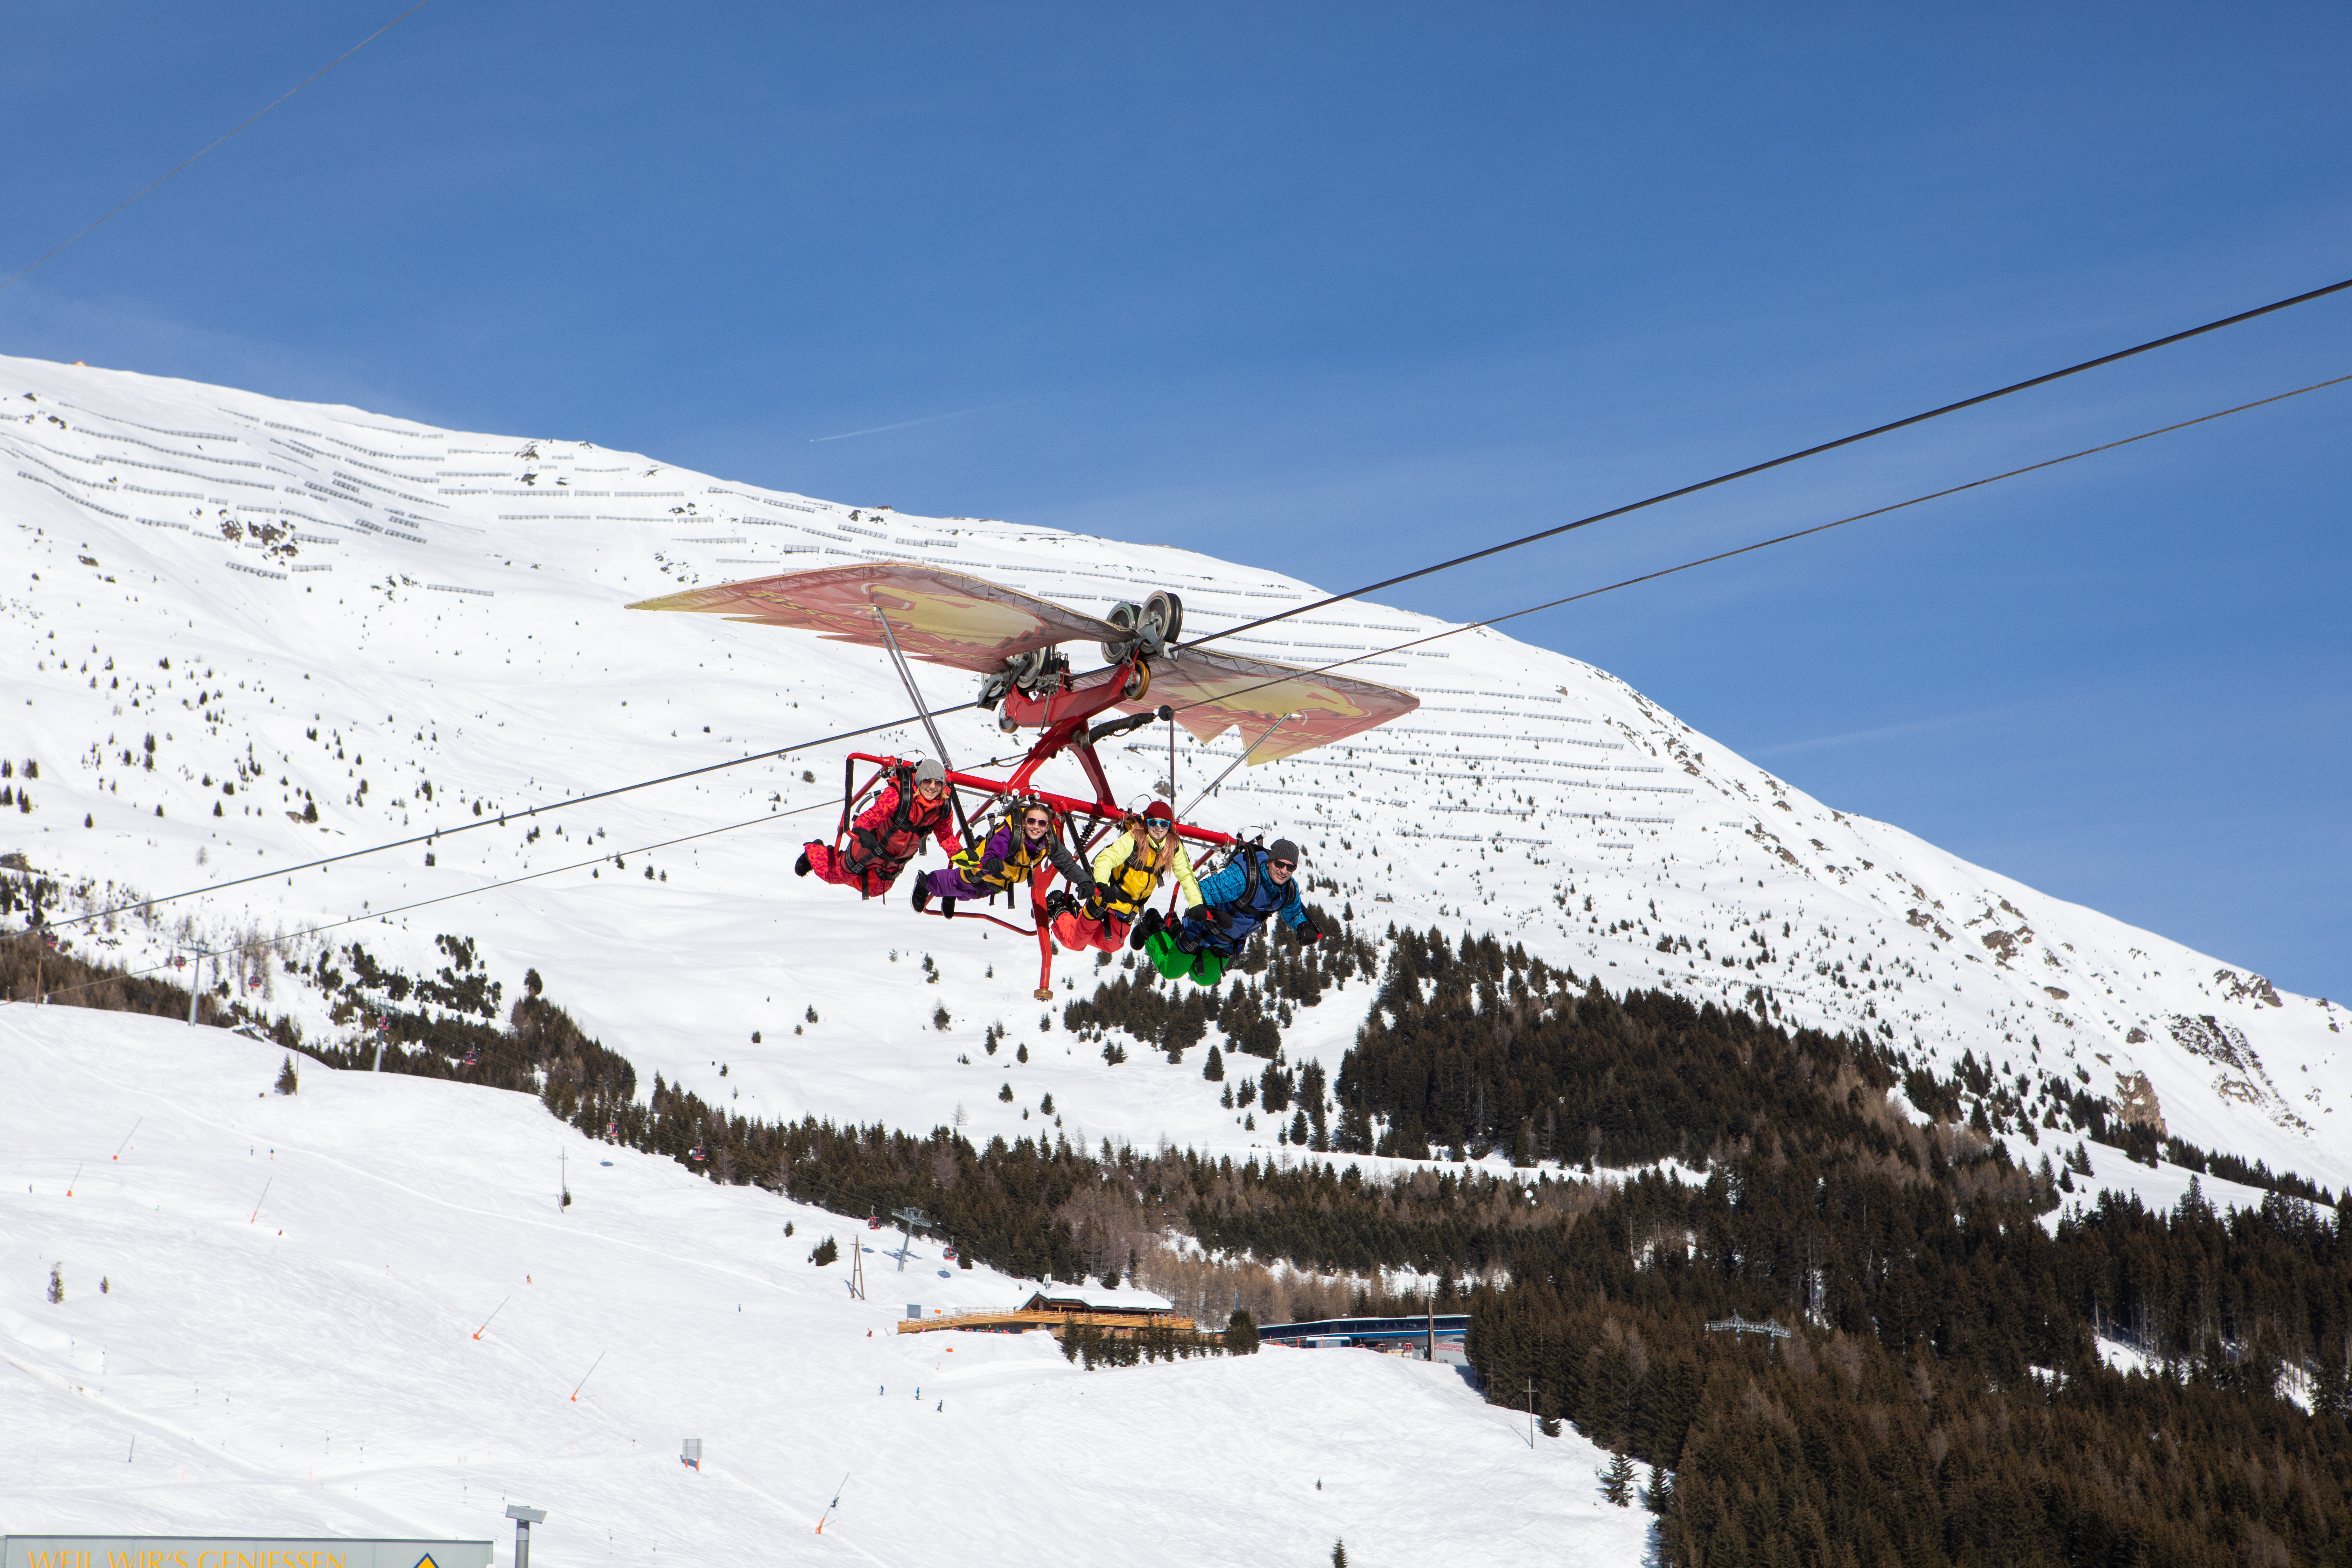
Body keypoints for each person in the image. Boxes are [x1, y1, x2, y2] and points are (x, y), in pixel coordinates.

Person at [1141, 836, 1321, 986]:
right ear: (1269, 862)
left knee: (1207, 979)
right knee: (1171, 971)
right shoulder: (1244, 878)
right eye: (1280, 864)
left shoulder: (1288, 891)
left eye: (1291, 867)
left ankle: (1175, 932)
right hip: (1202, 930)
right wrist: (1213, 913)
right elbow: (1203, 889)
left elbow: (1294, 913)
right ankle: (1153, 925)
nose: (1284, 871)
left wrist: (1303, 927)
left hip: (1226, 943)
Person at [1049, 800, 1202, 954]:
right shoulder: (1136, 839)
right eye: (1153, 823)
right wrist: (1102, 884)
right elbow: (1107, 858)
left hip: (1128, 909)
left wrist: (1196, 904)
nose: (1158, 828)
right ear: (1146, 823)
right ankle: (1058, 909)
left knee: (1111, 946)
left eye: (1164, 824)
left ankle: (1075, 915)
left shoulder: (1173, 848)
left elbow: (1187, 876)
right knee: (1075, 942)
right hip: (1107, 897)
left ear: (1169, 827)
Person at [796, 757, 959, 898]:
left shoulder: (942, 808)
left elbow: (946, 837)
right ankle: (814, 852)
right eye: (928, 781)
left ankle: (839, 861)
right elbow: (871, 816)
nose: (932, 787)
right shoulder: (900, 796)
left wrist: (960, 854)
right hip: (870, 847)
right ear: (919, 781)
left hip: (894, 861)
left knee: (875, 889)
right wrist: (862, 831)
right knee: (837, 876)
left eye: (938, 783)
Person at [912, 798, 1096, 920]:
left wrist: (1084, 880)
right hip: (984, 865)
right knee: (958, 882)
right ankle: (925, 883)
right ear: (1024, 822)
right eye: (1031, 821)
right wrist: (992, 859)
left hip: (1002, 878)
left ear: (1048, 827)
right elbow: (997, 846)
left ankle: (950, 895)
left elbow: (1066, 864)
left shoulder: (1049, 842)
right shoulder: (1012, 832)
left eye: (1042, 823)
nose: (1036, 827)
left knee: (974, 894)